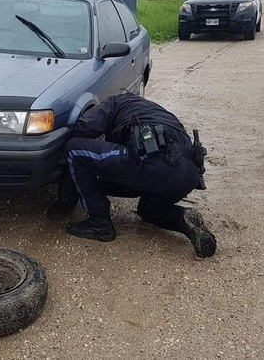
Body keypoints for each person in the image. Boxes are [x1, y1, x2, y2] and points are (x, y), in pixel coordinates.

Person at [60, 92, 216, 258]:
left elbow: (85, 126)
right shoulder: (152, 110)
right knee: (148, 211)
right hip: (189, 175)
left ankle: (99, 224)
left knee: (75, 149)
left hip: (154, 164)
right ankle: (183, 218)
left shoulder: (114, 102)